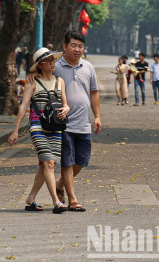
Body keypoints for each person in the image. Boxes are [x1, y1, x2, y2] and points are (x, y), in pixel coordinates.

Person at [9, 47, 70, 213]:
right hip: (37, 127)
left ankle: (30, 199)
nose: (52, 63)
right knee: (48, 163)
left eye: (53, 60)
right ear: (40, 65)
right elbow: (23, 107)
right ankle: (56, 202)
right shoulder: (32, 82)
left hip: (56, 128)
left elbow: (65, 104)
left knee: (45, 165)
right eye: (48, 61)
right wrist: (15, 131)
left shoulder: (60, 81)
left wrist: (66, 109)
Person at [46, 31, 101, 212]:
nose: (77, 49)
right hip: (63, 123)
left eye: (80, 46)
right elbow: (42, 74)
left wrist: (98, 117)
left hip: (83, 123)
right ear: (65, 46)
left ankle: (60, 184)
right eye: (73, 45)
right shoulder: (56, 66)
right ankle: (73, 199)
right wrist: (31, 77)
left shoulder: (88, 67)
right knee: (67, 162)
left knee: (82, 160)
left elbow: (94, 92)